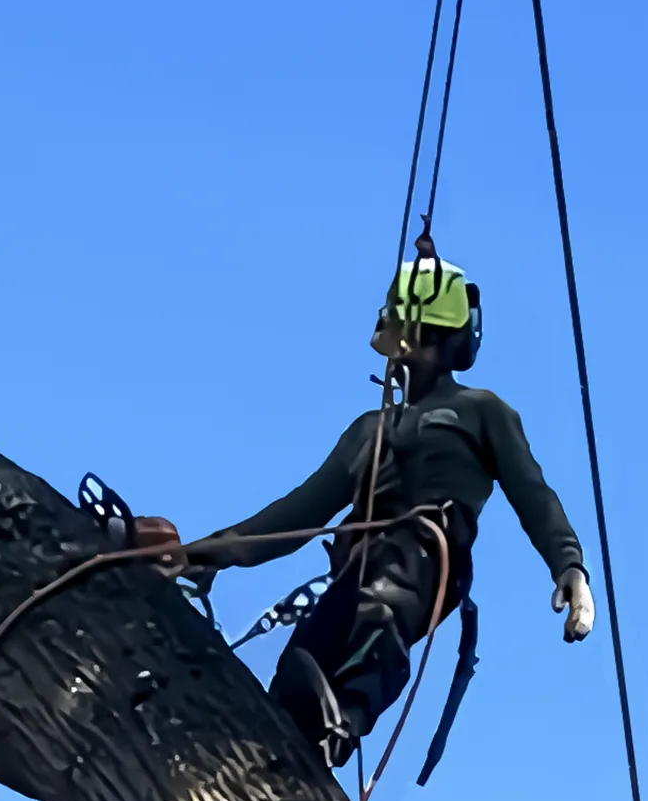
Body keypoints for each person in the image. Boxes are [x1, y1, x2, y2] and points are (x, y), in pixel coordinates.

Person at [146, 244, 594, 767]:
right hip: (355, 570)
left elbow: (532, 492)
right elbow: (297, 515)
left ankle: (347, 718)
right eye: (407, 338)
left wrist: (568, 564)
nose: (410, 352)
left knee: (381, 613)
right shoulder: (369, 432)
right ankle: (281, 746)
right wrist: (207, 554)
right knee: (305, 662)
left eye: (425, 340)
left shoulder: (481, 412)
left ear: (450, 344)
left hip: (424, 559)